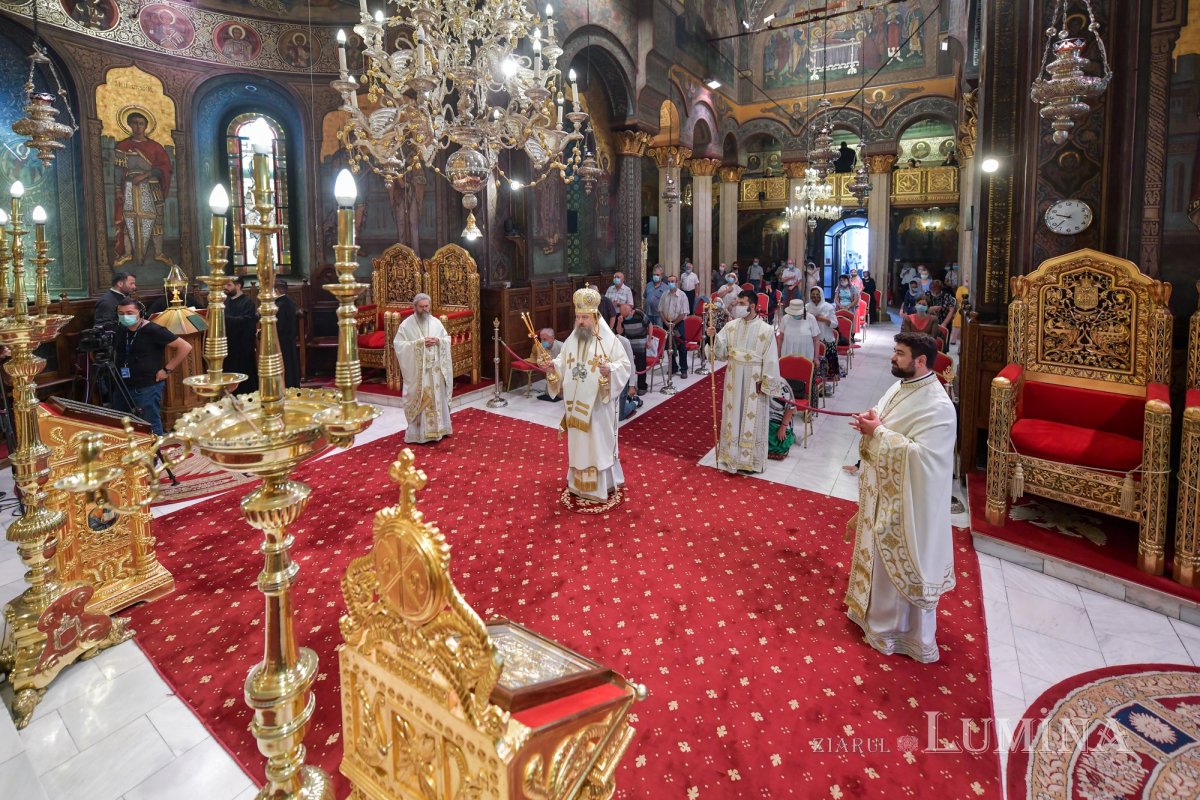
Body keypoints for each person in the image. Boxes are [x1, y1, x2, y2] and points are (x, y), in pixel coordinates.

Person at [845, 332, 957, 663]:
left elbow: (925, 460)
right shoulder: (901, 386)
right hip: (885, 491)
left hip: (909, 504)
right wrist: (871, 421)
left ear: (920, 361)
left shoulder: (939, 406)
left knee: (894, 561)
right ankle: (870, 613)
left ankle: (897, 632)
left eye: (899, 353)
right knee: (877, 557)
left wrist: (877, 432)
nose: (893, 357)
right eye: (895, 351)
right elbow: (882, 416)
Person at [545, 287, 632, 502]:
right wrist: (552, 367)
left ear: (594, 316)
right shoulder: (573, 339)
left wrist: (609, 369)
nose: (581, 322)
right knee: (579, 445)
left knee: (597, 445)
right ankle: (578, 483)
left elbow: (624, 365)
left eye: (585, 317)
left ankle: (602, 485)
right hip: (575, 406)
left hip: (597, 406)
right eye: (578, 317)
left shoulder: (608, 340)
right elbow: (562, 361)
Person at [707, 290, 781, 474]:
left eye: (741, 303)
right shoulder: (730, 326)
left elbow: (771, 359)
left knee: (752, 418)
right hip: (733, 379)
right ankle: (731, 456)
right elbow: (720, 352)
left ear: (753, 306)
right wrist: (712, 337)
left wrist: (766, 382)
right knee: (733, 416)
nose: (737, 306)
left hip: (754, 381)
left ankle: (751, 461)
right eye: (737, 302)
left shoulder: (766, 330)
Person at [112, 298, 192, 435]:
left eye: (129, 313)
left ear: (140, 312)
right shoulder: (121, 329)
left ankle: (155, 449)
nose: (125, 316)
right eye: (121, 313)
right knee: (123, 423)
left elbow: (185, 346)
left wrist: (167, 370)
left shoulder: (154, 330)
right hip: (122, 384)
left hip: (146, 386)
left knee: (150, 423)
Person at [113, 111, 172, 267]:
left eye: (141, 123)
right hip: (130, 188)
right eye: (135, 123)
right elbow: (118, 171)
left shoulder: (155, 147)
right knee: (129, 220)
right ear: (129, 125)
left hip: (152, 187)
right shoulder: (123, 146)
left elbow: (164, 168)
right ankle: (127, 254)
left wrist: (145, 175)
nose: (138, 127)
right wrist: (118, 190)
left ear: (146, 126)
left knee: (157, 220)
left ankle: (158, 253)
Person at [393, 293, 452, 444]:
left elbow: (447, 339)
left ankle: (440, 429)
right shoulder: (406, 325)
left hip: (436, 371)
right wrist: (420, 344)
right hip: (420, 374)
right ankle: (419, 434)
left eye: (427, 306)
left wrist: (438, 341)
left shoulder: (436, 322)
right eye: (421, 307)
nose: (425, 309)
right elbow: (399, 345)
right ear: (415, 307)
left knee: (438, 399)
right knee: (422, 401)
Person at [223, 275, 259, 395]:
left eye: (229, 285)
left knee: (244, 374)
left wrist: (225, 319)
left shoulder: (247, 302)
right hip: (229, 344)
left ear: (238, 286)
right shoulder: (226, 301)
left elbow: (247, 321)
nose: (226, 287)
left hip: (243, 346)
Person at [658, 275, 690, 379]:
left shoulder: (682, 295)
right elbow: (660, 310)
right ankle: (673, 367)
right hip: (666, 323)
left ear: (677, 282)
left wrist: (674, 323)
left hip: (678, 324)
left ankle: (684, 369)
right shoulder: (664, 294)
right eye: (669, 281)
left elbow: (683, 313)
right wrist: (666, 322)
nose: (670, 283)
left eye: (672, 281)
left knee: (681, 346)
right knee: (669, 347)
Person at [614, 303, 649, 394]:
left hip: (640, 345)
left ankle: (642, 387)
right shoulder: (621, 317)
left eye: (626, 315)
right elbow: (619, 332)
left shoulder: (639, 314)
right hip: (629, 345)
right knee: (628, 366)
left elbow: (650, 325)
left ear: (630, 311)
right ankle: (629, 385)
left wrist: (649, 340)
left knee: (641, 366)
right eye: (623, 315)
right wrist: (619, 322)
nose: (625, 317)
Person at [807, 285, 839, 382]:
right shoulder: (807, 307)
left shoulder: (828, 307)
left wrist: (824, 320)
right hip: (811, 339)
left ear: (821, 295)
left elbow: (835, 324)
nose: (815, 297)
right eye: (813, 295)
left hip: (826, 338)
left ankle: (828, 378)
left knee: (828, 364)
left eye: (817, 294)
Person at [274, 281, 301, 389]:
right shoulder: (288, 302)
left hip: (282, 340)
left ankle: (287, 386)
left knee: (286, 365)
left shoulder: (280, 305)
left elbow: (279, 326)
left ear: (276, 290)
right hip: (289, 339)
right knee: (290, 363)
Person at [779, 298, 821, 362]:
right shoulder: (785, 318)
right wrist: (778, 355)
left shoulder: (811, 318)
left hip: (806, 355)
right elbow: (780, 338)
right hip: (787, 355)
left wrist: (816, 358)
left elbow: (816, 340)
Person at [767, 382, 796, 461]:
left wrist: (783, 428)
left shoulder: (782, 387)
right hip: (763, 421)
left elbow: (791, 407)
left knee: (779, 446)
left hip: (778, 422)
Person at [535, 327, 563, 402]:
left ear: (552, 338)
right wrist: (543, 366)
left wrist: (553, 365)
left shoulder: (561, 346)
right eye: (541, 339)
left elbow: (564, 362)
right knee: (548, 393)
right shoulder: (541, 346)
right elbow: (539, 360)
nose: (542, 342)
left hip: (560, 372)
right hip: (549, 372)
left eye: (544, 339)